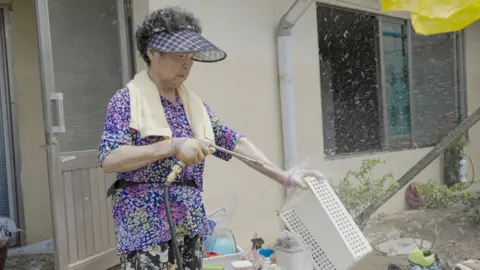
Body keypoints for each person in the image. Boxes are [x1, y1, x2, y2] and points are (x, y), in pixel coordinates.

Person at [98, 6, 322, 270]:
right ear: (152, 52)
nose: (187, 64)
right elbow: (110, 159)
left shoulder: (194, 106)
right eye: (180, 55)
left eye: (191, 57)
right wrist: (171, 146)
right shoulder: (126, 100)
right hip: (144, 227)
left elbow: (234, 142)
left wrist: (282, 176)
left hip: (190, 222)